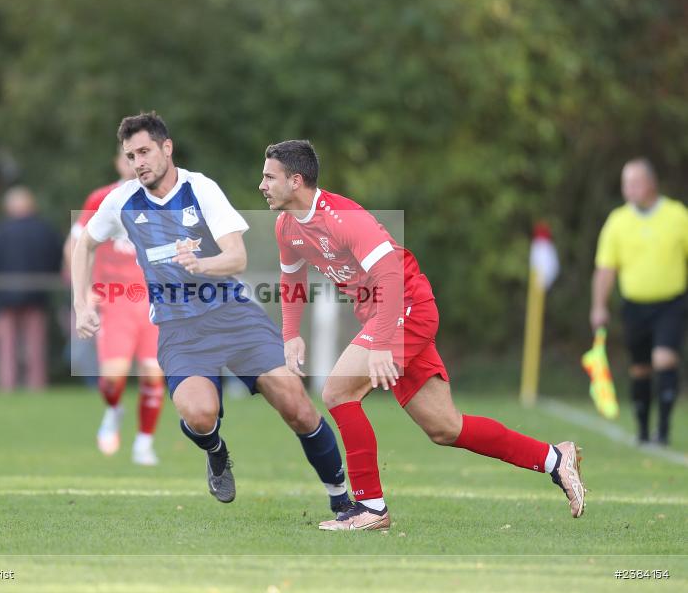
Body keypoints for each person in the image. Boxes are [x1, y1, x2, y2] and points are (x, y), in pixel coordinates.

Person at [260, 139, 586, 531]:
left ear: (296, 181)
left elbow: (392, 276)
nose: (261, 184)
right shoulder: (286, 226)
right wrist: (291, 333)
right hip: (385, 316)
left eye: (268, 176)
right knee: (445, 427)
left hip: (406, 308)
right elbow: (291, 276)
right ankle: (555, 458)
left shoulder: (344, 218)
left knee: (337, 391)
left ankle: (371, 509)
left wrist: (381, 344)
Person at [73, 112, 350, 513]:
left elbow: (236, 257)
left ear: (167, 148)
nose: (139, 163)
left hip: (233, 315)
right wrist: (82, 303)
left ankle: (342, 500)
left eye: (145, 151)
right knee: (200, 416)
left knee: (296, 404)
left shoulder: (200, 188)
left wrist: (203, 264)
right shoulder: (121, 201)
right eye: (131, 156)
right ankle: (216, 450)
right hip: (178, 328)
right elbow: (85, 244)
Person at [66, 150, 166, 466]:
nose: (134, 163)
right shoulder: (102, 198)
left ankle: (144, 443)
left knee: (154, 374)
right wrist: (83, 290)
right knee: (113, 379)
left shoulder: (165, 199)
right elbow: (75, 246)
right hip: (115, 300)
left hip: (153, 302)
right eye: (128, 157)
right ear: (118, 162)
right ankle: (113, 409)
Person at [591, 158, 688, 446]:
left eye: (634, 182)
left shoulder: (677, 215)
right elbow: (606, 269)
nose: (628, 189)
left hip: (671, 304)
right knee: (641, 369)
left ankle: (664, 430)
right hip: (634, 307)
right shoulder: (618, 222)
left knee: (664, 359)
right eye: (625, 183)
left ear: (651, 183)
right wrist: (599, 306)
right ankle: (644, 430)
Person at [0, 187, 63, 392]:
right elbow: (56, 259)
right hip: (37, 294)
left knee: (7, 347)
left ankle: (7, 386)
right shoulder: (45, 230)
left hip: (4, 296)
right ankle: (36, 386)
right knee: (35, 346)